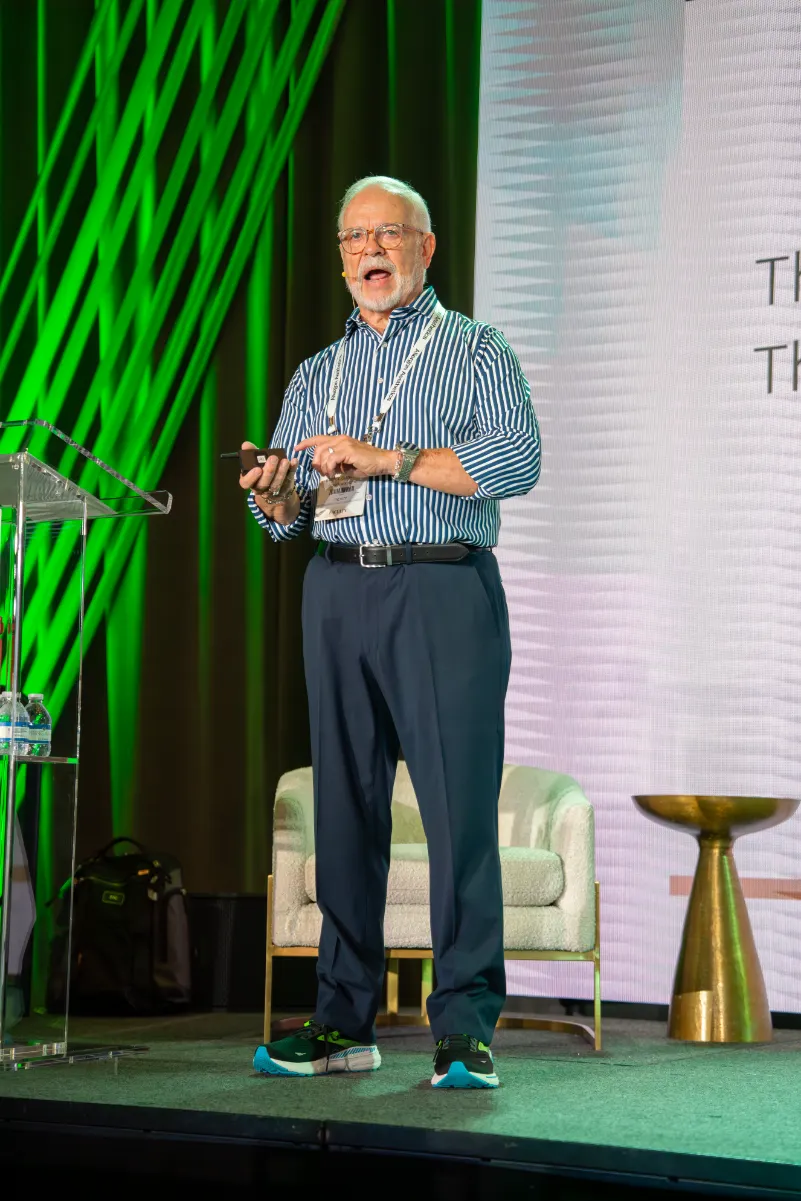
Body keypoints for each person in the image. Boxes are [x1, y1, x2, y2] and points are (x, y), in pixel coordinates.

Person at [242, 175, 540, 1089]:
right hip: (337, 586)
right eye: (354, 238)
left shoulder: (475, 348)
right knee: (345, 808)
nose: (370, 251)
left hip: (440, 583)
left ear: (425, 246)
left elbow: (515, 459)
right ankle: (342, 1021)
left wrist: (386, 458)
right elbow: (289, 516)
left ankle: (464, 1028)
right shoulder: (316, 372)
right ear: (340, 256)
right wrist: (273, 494)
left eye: (388, 234)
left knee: (456, 811)